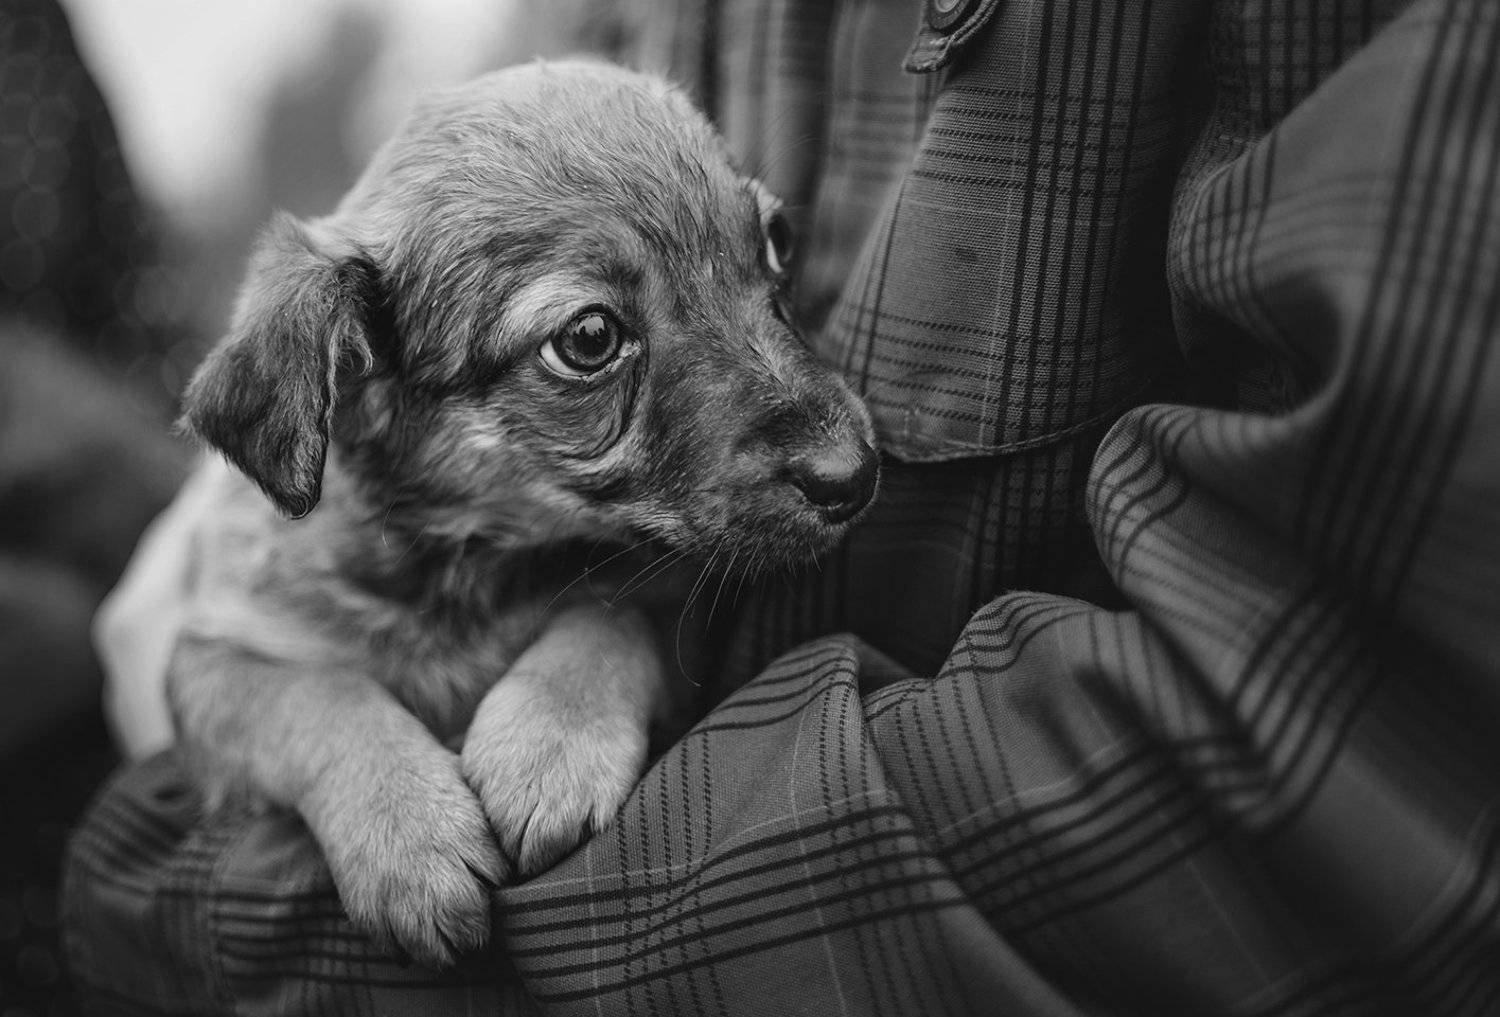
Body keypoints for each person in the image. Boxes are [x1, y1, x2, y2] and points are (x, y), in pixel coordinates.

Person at [64, 0, 1500, 1013]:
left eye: (763, 253)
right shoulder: (306, 407)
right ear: (345, 381)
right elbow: (210, 655)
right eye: (590, 342)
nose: (834, 441)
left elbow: (1332, 759)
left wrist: (605, 650)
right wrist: (338, 758)